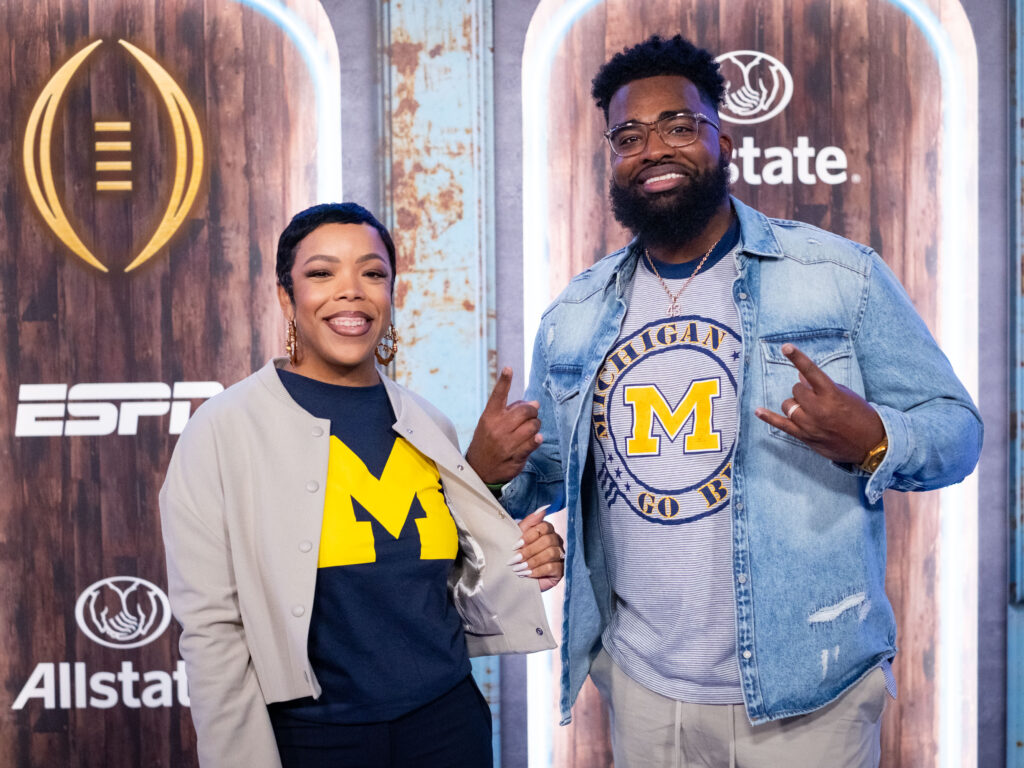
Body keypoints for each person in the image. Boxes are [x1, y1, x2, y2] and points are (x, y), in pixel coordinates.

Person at [466, 34, 982, 767]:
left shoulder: (837, 275)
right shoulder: (576, 313)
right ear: (611, 156)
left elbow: (956, 432)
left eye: (679, 126)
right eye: (629, 136)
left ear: (722, 139)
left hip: (811, 691)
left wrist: (873, 438)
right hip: (646, 691)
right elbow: (545, 475)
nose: (654, 149)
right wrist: (486, 474)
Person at [160, 202, 565, 768]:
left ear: (390, 294)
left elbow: (451, 589)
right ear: (286, 297)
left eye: (372, 273)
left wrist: (524, 557)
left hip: (448, 726)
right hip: (314, 741)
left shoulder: (428, 424)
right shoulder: (223, 430)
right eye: (322, 273)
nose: (350, 291)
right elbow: (211, 631)